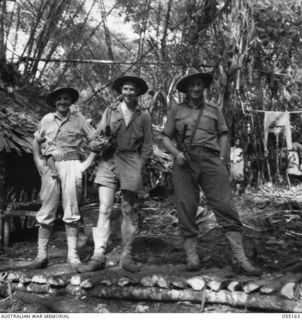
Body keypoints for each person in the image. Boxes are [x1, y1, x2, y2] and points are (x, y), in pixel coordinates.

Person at [161, 68, 261, 275]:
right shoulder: (176, 111)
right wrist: (175, 153)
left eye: (199, 84)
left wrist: (223, 158)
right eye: (192, 85)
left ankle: (240, 258)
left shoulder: (214, 110)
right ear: (186, 89)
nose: (196, 88)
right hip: (184, 163)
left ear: (204, 87)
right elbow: (165, 137)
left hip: (211, 160)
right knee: (186, 207)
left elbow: (223, 134)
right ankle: (192, 256)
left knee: (225, 205)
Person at [77, 75, 153, 273]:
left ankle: (127, 255)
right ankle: (98, 255)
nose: (128, 92)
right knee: (104, 209)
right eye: (125, 89)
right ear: (121, 91)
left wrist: (139, 165)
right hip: (108, 161)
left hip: (131, 161)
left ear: (138, 92)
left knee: (129, 209)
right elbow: (98, 135)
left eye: (132, 89)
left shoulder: (143, 115)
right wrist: (97, 144)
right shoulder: (111, 111)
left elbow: (147, 145)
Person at [30, 87, 96, 269]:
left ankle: (72, 255)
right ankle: (41, 255)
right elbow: (36, 142)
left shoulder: (79, 120)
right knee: (46, 211)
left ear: (71, 101)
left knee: (72, 210)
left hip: (72, 165)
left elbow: (96, 141)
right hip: (50, 166)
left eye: (66, 99)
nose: (62, 102)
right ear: (54, 102)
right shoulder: (46, 120)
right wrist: (39, 163)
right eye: (59, 99)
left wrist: (85, 164)